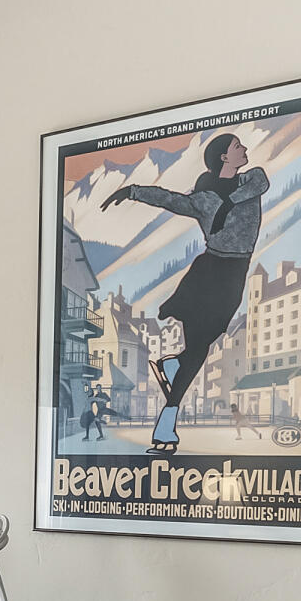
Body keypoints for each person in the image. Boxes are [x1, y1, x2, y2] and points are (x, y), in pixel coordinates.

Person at [107, 132, 267, 453]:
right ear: (224, 156)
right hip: (208, 273)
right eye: (238, 146)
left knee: (199, 348)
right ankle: (167, 426)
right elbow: (168, 199)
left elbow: (259, 186)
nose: (245, 149)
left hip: (233, 276)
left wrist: (225, 207)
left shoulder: (253, 178)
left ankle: (171, 372)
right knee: (197, 350)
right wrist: (134, 191)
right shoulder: (202, 198)